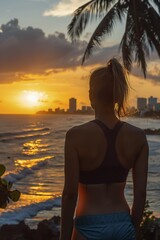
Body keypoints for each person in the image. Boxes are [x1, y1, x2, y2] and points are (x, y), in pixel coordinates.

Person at [60, 58, 149, 240]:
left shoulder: (75, 136)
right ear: (117, 96)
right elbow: (140, 193)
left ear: (91, 95)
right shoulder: (138, 137)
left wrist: (64, 237)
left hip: (88, 226)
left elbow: (70, 194)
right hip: (124, 224)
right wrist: (133, 229)